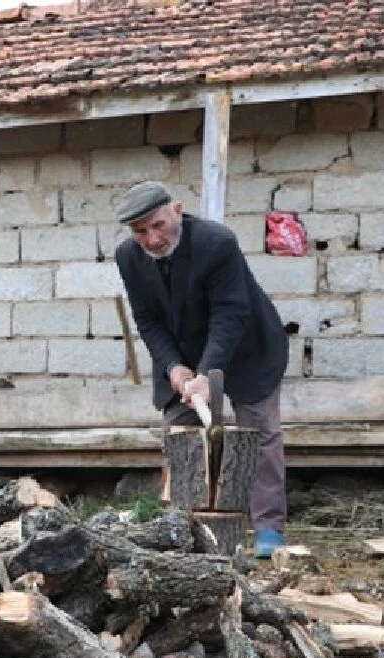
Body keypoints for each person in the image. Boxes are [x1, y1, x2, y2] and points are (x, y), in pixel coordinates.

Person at [114, 181, 289, 558]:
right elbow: (147, 320)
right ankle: (187, 529)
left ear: (176, 210)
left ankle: (268, 528)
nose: (151, 239)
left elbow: (231, 313)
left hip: (248, 348)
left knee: (256, 433)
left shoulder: (216, 243)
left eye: (158, 225)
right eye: (140, 231)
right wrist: (175, 368)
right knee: (180, 435)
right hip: (183, 354)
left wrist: (208, 375)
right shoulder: (128, 257)